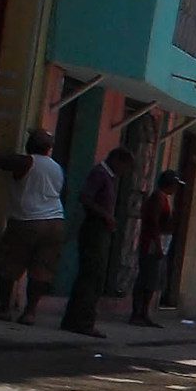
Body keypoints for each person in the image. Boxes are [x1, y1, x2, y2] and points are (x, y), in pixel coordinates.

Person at [0, 130, 65, 325]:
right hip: (55, 221)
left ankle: (4, 307)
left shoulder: (26, 162)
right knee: (41, 269)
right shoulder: (56, 167)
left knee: (8, 263)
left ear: (30, 144)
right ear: (48, 148)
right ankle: (30, 312)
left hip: (27, 220)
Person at [60, 144, 133, 338]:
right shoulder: (100, 174)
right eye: (125, 166)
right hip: (94, 229)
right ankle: (82, 321)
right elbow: (85, 197)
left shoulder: (108, 177)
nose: (124, 172)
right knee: (92, 276)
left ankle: (75, 319)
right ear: (117, 160)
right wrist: (106, 216)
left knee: (92, 276)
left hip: (101, 230)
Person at [130, 171, 181, 326]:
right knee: (147, 279)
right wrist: (158, 245)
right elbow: (153, 222)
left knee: (151, 280)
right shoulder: (159, 198)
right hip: (153, 245)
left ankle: (143, 312)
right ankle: (139, 313)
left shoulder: (162, 198)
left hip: (157, 243)